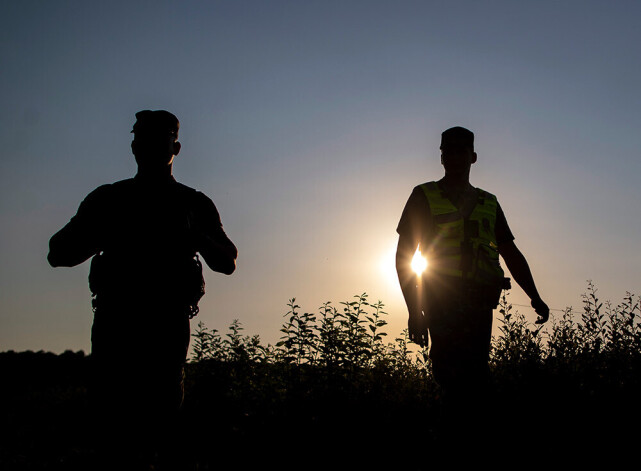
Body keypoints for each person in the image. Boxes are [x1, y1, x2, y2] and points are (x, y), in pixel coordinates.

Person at [47, 110, 237, 468]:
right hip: (117, 324)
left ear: (175, 147)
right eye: (142, 138)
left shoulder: (193, 203)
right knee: (112, 424)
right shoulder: (108, 199)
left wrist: (194, 235)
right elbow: (58, 253)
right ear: (133, 146)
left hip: (165, 325)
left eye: (158, 139)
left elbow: (227, 260)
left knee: (161, 421)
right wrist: (102, 233)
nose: (147, 146)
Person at [395, 126, 549, 436]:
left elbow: (511, 253)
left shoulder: (488, 202)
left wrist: (534, 295)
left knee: (476, 378)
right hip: (441, 301)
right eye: (446, 151)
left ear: (473, 156)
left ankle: (469, 444)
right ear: (441, 157)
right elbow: (404, 258)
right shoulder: (423, 195)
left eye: (459, 151)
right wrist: (415, 311)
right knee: (452, 378)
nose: (452, 156)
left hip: (479, 304)